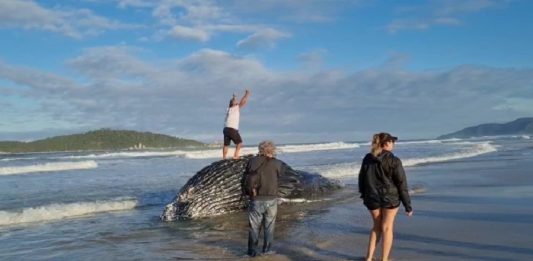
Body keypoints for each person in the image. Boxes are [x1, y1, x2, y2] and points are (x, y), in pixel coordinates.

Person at [358, 132, 413, 261]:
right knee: (387, 228)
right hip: (390, 198)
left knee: (376, 227)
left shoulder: (367, 158)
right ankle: (384, 259)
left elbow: (361, 179)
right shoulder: (394, 160)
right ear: (387, 143)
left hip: (372, 198)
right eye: (392, 141)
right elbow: (401, 184)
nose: (394, 144)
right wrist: (408, 206)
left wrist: (364, 195)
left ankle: (369, 258)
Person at [246, 140, 286, 257]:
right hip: (271, 199)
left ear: (260, 149)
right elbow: (280, 177)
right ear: (272, 150)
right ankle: (267, 250)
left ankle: (252, 252)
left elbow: (246, 177)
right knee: (269, 226)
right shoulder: (278, 163)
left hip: (255, 198)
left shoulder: (252, 161)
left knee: (254, 226)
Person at [223, 89, 250, 160]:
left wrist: (234, 97)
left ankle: (224, 158)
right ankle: (236, 156)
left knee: (226, 144)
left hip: (226, 129)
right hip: (232, 129)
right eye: (236, 101)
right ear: (233, 103)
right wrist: (246, 94)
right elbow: (243, 102)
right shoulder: (235, 108)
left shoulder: (228, 109)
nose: (237, 102)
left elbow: (235, 102)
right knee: (239, 143)